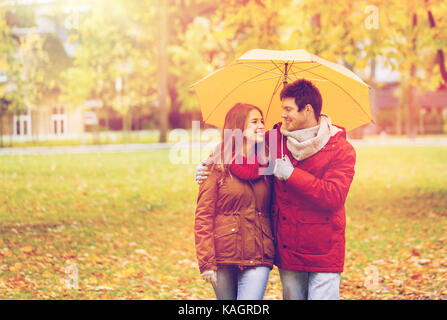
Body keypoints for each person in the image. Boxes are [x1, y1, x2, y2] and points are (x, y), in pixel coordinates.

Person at [196, 79, 356, 300]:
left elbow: (334, 196)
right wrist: (205, 165)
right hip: (289, 249)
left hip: (324, 248)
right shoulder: (274, 141)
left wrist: (291, 174)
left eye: (288, 109)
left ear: (307, 110)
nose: (282, 116)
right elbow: (233, 144)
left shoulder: (340, 148)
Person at [194, 102, 275, 300]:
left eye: (262, 121)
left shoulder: (268, 165)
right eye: (254, 121)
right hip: (224, 255)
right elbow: (203, 215)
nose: (261, 125)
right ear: (238, 128)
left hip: (259, 253)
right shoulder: (216, 164)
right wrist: (206, 261)